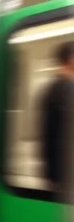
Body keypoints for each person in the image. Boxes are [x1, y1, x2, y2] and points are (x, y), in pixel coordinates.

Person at [40, 42, 74, 194]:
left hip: (58, 173)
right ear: (71, 59)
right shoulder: (65, 89)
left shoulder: (51, 88)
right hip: (65, 172)